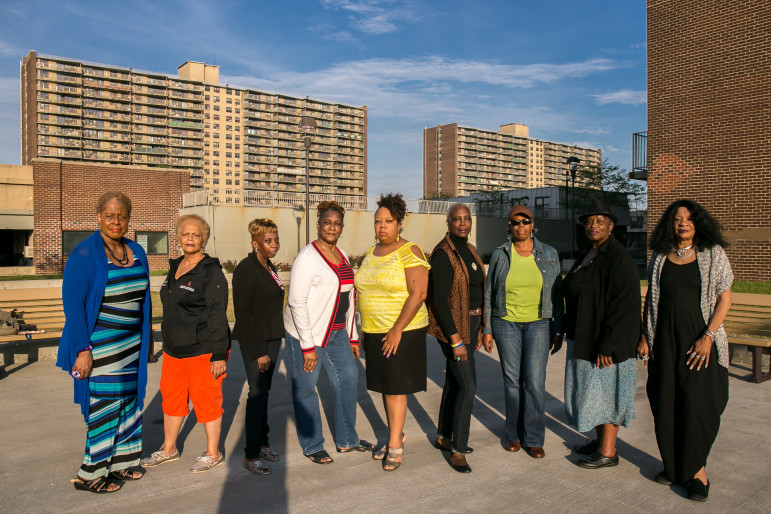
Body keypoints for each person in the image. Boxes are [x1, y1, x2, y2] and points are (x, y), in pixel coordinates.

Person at [639, 200, 732, 502]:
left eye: (689, 219)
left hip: (698, 344)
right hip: (665, 342)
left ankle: (697, 472)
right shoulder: (658, 257)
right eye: (677, 219)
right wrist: (645, 336)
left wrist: (708, 337)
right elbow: (652, 302)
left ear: (698, 223)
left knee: (697, 407)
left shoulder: (712, 253)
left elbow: (724, 299)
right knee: (665, 403)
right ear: (670, 224)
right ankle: (675, 467)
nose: (683, 223)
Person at [58, 192, 151, 494]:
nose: (115, 221)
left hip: (131, 345)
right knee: (105, 407)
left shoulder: (136, 250)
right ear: (98, 216)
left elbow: (144, 300)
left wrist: (147, 340)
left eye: (121, 216)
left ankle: (120, 462)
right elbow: (72, 306)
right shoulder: (84, 254)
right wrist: (83, 350)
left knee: (128, 403)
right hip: (100, 348)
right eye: (109, 215)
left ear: (128, 219)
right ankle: (90, 473)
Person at [284, 201, 374, 465]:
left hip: (336, 333)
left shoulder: (342, 254)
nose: (331, 227)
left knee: (348, 378)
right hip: (307, 333)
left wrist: (352, 335)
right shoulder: (307, 257)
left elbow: (348, 298)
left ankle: (347, 439)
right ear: (319, 224)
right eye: (327, 222)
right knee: (306, 389)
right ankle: (312, 445)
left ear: (341, 228)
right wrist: (307, 346)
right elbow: (296, 301)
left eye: (336, 223)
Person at [141, 214, 230, 473]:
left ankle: (213, 453)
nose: (190, 238)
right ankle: (169, 449)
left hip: (202, 350)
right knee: (172, 400)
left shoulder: (211, 272)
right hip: (173, 351)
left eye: (196, 235)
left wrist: (218, 354)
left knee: (207, 401)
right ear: (178, 237)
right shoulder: (176, 266)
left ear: (204, 239)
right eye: (185, 234)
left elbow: (217, 313)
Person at [561, 200, 640, 469]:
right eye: (589, 221)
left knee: (608, 395)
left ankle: (608, 452)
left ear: (611, 225)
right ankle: (598, 442)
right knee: (591, 393)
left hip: (608, 341)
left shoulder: (618, 257)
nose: (593, 225)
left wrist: (608, 344)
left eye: (600, 221)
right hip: (586, 336)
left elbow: (624, 304)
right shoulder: (589, 253)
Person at [355, 193, 430, 472]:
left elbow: (419, 292)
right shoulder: (370, 254)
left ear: (400, 223)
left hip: (403, 331)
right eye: (377, 221)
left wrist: (396, 329)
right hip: (375, 330)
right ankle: (396, 434)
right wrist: (365, 329)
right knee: (386, 388)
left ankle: (395, 445)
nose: (382, 226)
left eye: (388, 221)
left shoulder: (410, 251)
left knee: (396, 390)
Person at [484, 205, 563, 459]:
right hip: (505, 322)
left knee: (535, 382)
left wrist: (557, 328)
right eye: (515, 222)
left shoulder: (549, 253)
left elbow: (557, 293)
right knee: (512, 382)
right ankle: (513, 435)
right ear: (510, 226)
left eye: (525, 222)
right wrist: (486, 329)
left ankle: (534, 437)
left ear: (532, 225)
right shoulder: (500, 255)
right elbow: (489, 293)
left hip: (539, 323)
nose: (520, 226)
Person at [427, 203, 491, 474]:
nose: (463, 223)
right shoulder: (443, 253)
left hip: (472, 323)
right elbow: (438, 300)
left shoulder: (470, 250)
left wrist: (479, 327)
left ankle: (444, 435)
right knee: (468, 386)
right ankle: (458, 450)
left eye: (466, 219)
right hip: (455, 327)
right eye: (457, 219)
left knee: (455, 382)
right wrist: (455, 338)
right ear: (448, 223)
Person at [232, 218, 284, 475]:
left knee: (264, 391)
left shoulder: (269, 267)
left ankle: (263, 442)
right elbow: (242, 312)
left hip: (273, 337)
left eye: (275, 240)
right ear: (255, 244)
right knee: (256, 393)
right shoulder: (246, 268)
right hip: (256, 340)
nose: (274, 244)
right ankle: (251, 454)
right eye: (268, 241)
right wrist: (258, 351)